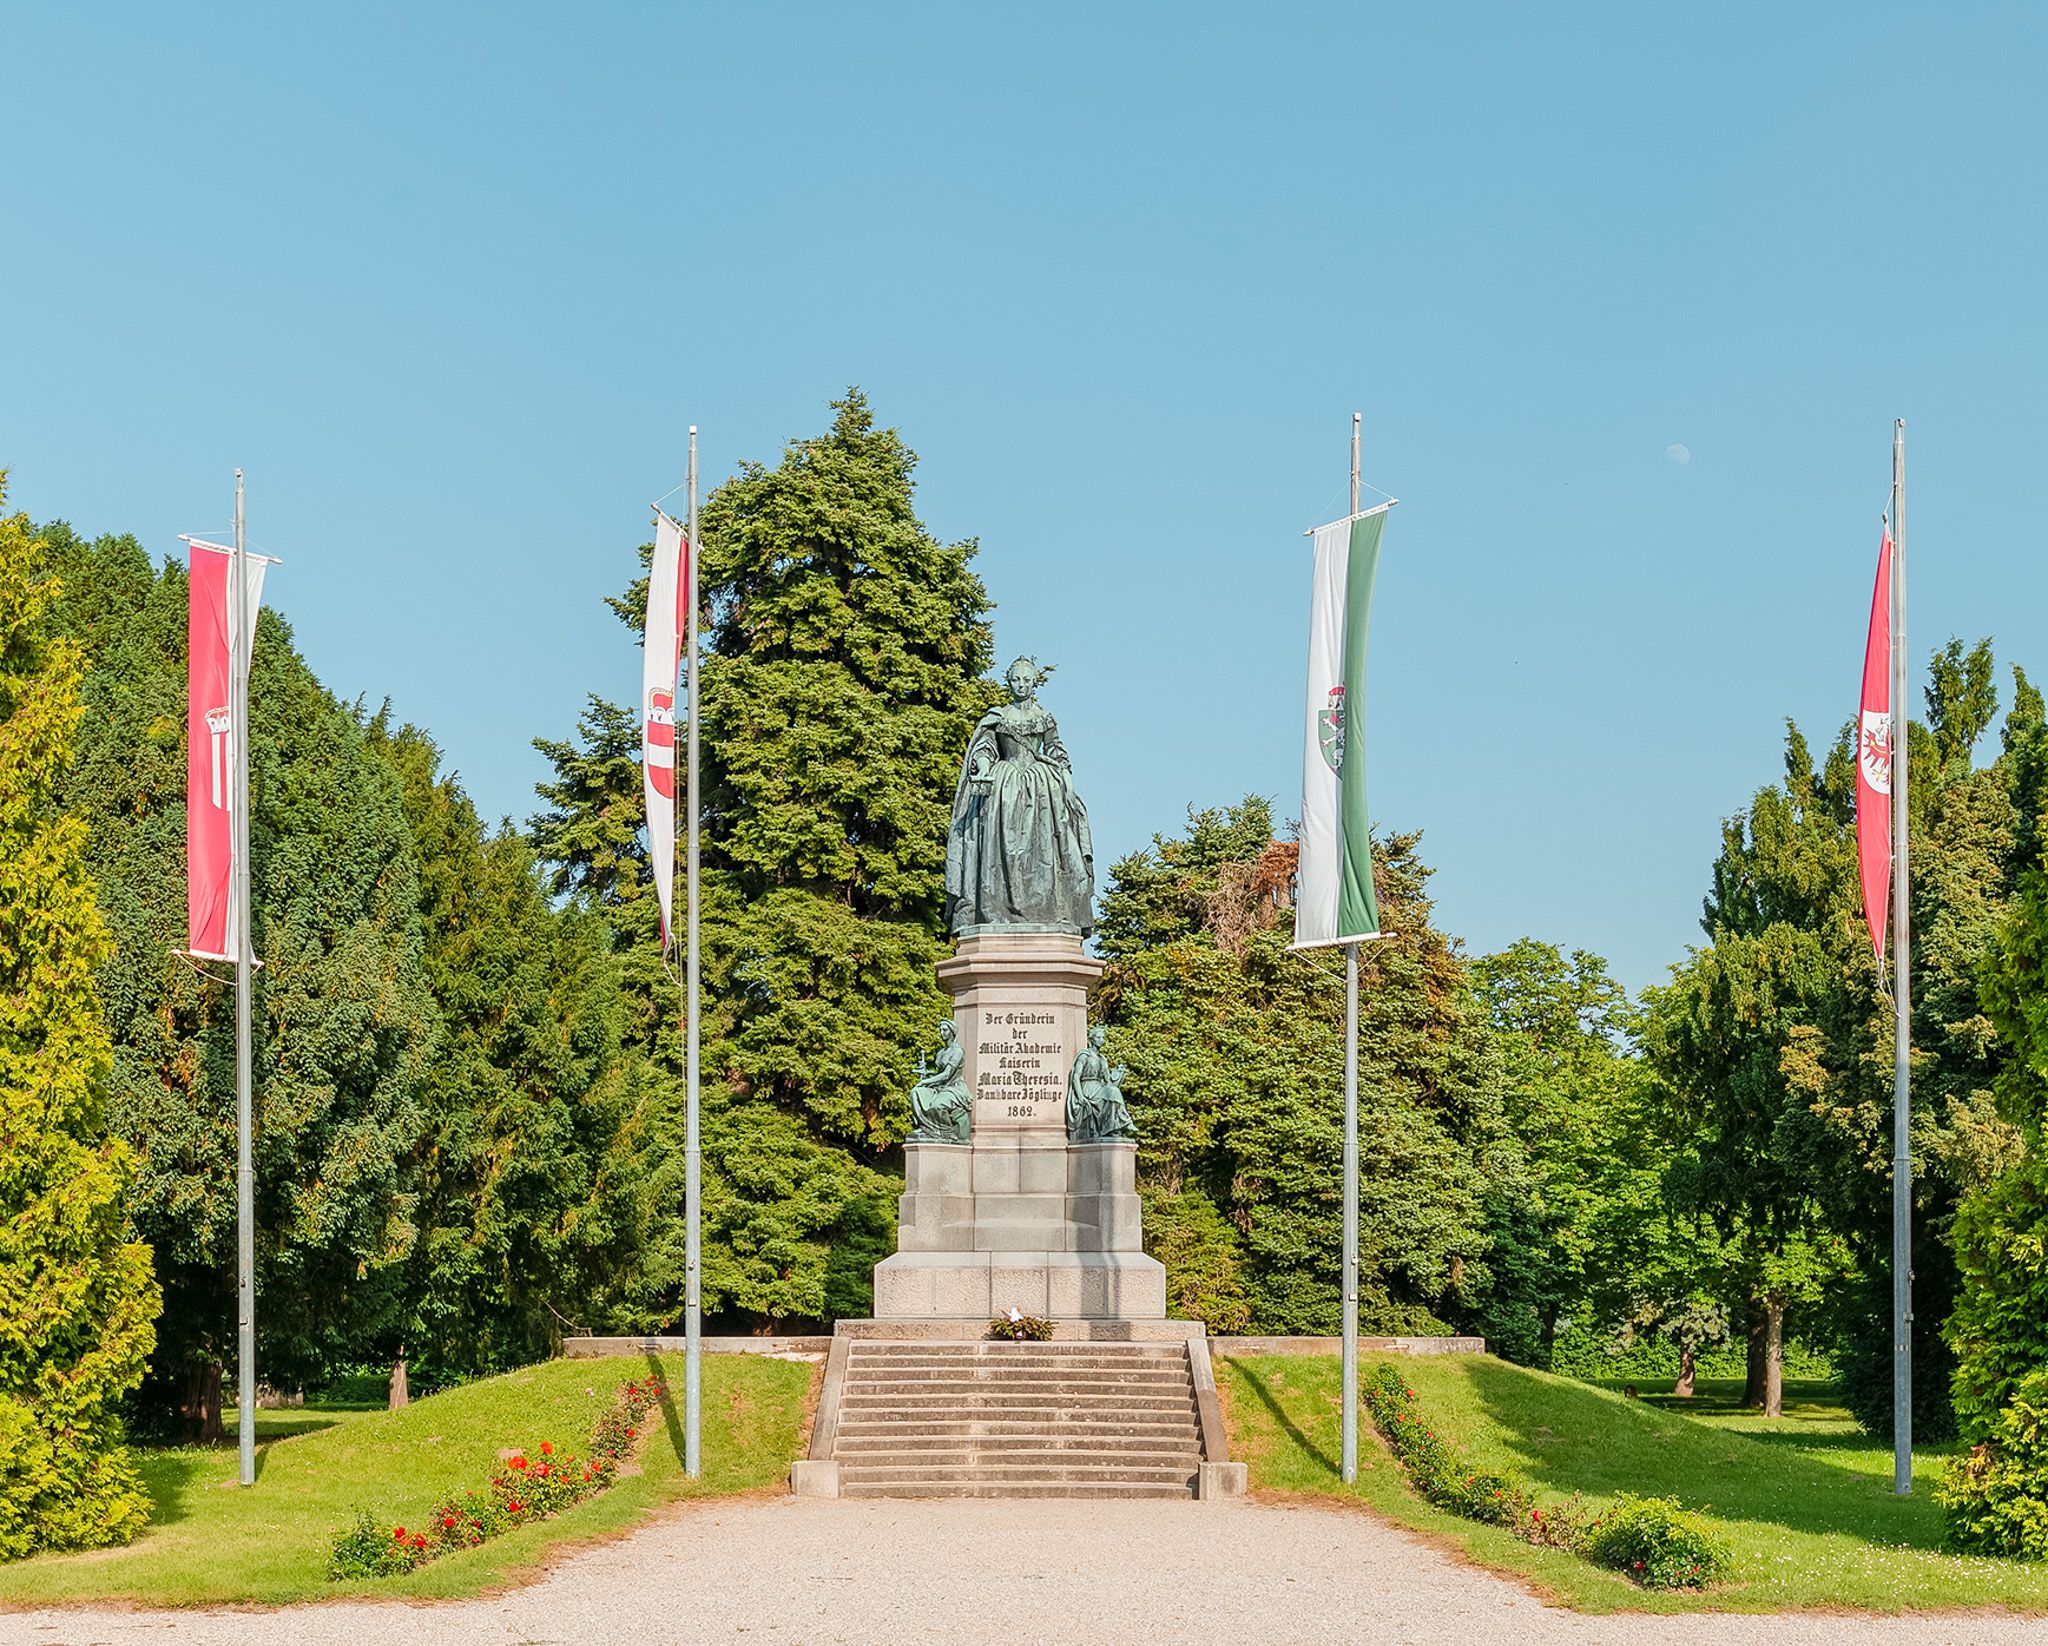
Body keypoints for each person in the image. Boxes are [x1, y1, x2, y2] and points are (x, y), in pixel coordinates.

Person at [944, 657, 1094, 937]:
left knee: (1045, 846)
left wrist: (1065, 776)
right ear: (1009, 681)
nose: (1021, 685)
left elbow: (1056, 750)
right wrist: (985, 768)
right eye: (1016, 679)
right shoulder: (998, 717)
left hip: (1040, 787)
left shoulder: (1044, 717)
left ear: (1034, 682)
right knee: (1001, 845)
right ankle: (996, 907)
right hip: (1005, 784)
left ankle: (1046, 906)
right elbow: (986, 748)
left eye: (1026, 680)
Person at [1065, 1025, 1134, 1142]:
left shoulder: (1103, 1059)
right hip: (1087, 1087)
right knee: (1112, 1093)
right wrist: (1080, 1096)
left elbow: (1109, 1081)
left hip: (1099, 1087)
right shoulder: (1084, 1055)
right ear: (1091, 1039)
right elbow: (1076, 1076)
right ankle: (1124, 1122)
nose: (1101, 1040)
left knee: (1114, 1091)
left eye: (1103, 1037)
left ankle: (1118, 1126)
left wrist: (1119, 1073)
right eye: (1098, 1037)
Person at [907, 1020, 972, 1144]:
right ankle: (926, 1128)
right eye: (940, 1030)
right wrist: (927, 1074)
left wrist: (925, 1082)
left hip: (954, 1088)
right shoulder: (941, 1052)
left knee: (937, 1105)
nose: (942, 1033)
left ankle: (947, 1133)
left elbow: (947, 1074)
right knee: (916, 1092)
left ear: (952, 1032)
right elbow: (939, 1074)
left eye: (945, 1030)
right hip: (941, 1087)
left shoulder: (957, 1051)